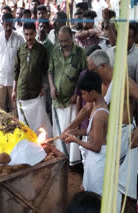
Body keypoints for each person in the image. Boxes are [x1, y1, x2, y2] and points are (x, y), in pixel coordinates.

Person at [65, 50, 138, 211]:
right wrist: (71, 126)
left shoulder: (125, 82)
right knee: (98, 178)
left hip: (121, 138)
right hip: (102, 140)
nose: (89, 73)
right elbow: (87, 108)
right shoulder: (99, 86)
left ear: (103, 66)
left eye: (92, 70)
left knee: (114, 184)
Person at [63, 71, 108, 195]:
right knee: (89, 190)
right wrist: (74, 131)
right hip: (93, 158)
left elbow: (96, 147)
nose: (82, 97)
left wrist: (75, 140)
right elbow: (90, 132)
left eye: (83, 93)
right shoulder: (94, 104)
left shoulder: (99, 114)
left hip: (98, 160)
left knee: (95, 195)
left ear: (92, 93)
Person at [49, 26, 87, 163]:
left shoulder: (80, 53)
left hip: (72, 101)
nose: (63, 44)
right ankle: (60, 156)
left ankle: (71, 161)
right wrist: (52, 87)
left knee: (70, 128)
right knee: (59, 129)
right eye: (60, 41)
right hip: (57, 100)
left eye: (66, 41)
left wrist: (77, 93)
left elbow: (83, 75)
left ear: (72, 38)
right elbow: (50, 71)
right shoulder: (55, 51)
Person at [12, 22, 52, 136]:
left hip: (36, 92)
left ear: (35, 33)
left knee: (38, 121)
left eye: (31, 34)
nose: (28, 37)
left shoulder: (42, 50)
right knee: (24, 123)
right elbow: (16, 70)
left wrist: (44, 86)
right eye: (26, 34)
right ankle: (27, 142)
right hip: (22, 91)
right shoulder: (20, 49)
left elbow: (46, 70)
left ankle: (39, 143)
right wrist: (14, 90)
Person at [0, 13, 24, 113]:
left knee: (15, 107)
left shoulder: (19, 38)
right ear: (2, 24)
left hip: (14, 80)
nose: (9, 27)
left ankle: (14, 128)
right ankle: (1, 127)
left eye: (11, 24)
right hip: (0, 78)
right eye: (6, 25)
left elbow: (22, 60)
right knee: (0, 107)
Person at [106, 22, 138, 96]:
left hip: (129, 102)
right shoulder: (110, 52)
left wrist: (137, 107)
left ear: (135, 39)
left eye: (129, 37)